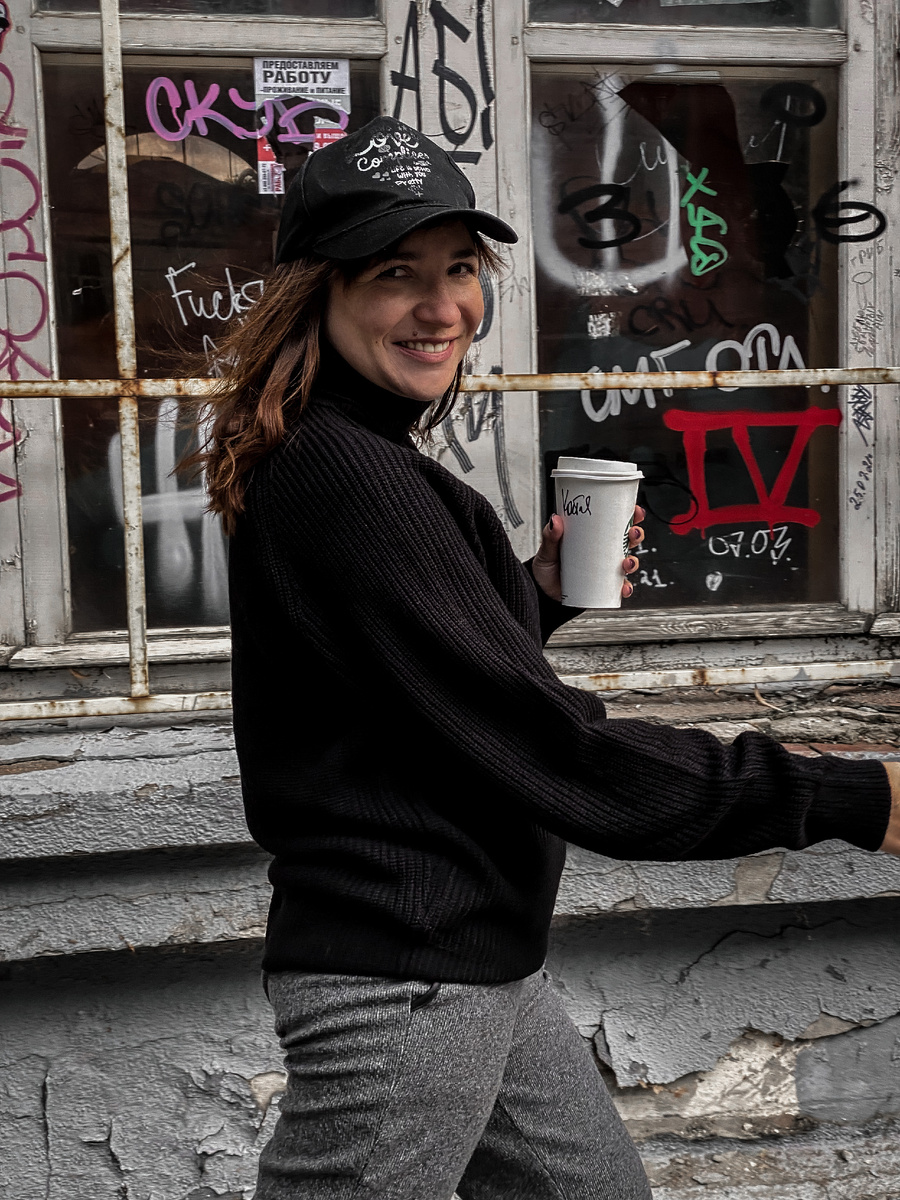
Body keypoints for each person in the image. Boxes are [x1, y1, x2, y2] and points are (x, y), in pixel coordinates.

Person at [189, 116, 900, 1200]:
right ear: (318, 292)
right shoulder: (347, 475)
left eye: (459, 268)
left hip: (474, 956)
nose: (442, 307)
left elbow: (414, 681)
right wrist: (850, 796)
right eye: (394, 273)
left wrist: (535, 594)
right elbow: (550, 748)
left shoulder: (356, 454)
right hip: (405, 981)